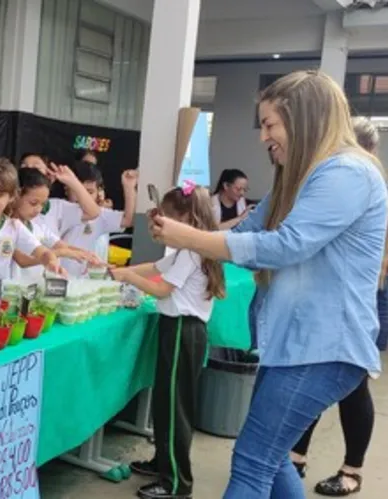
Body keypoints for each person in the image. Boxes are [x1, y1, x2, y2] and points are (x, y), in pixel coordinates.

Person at [148, 70, 386, 498]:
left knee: (253, 462)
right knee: (270, 458)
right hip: (294, 343)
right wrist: (191, 227)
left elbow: (285, 245)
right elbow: (249, 231)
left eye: (271, 124)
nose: (264, 137)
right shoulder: (301, 179)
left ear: (304, 119)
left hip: (323, 347)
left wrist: (187, 236)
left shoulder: (347, 173)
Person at [288, 116, 386, 496]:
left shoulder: (367, 183)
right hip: (326, 303)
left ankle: (352, 468)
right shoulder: (337, 181)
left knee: (352, 386)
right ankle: (296, 455)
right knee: (313, 382)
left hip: (356, 304)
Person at [113, 183, 226, 499]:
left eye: (165, 220)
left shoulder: (192, 251)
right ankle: (163, 461)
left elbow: (162, 288)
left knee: (175, 408)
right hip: (175, 331)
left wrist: (128, 278)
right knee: (164, 402)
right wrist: (120, 270)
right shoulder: (185, 249)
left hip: (183, 332)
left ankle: (176, 483)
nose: (160, 226)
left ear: (185, 219)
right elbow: (155, 268)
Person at [9, 167, 102, 284]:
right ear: (17, 195)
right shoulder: (8, 226)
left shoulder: (36, 225)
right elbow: (23, 260)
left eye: (42, 204)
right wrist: (61, 253)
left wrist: (88, 255)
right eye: (33, 203)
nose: (38, 209)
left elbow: (61, 245)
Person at [58, 161, 138, 277]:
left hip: (83, 282)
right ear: (66, 188)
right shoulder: (56, 209)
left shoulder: (100, 215)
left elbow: (127, 220)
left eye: (90, 192)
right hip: (53, 278)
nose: (82, 196)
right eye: (77, 190)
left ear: (98, 192)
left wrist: (129, 187)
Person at [17, 153, 103, 237]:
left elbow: (93, 212)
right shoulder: (9, 202)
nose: (29, 170)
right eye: (24, 166)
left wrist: (72, 181)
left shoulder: (57, 207)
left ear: (49, 175)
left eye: (36, 167)